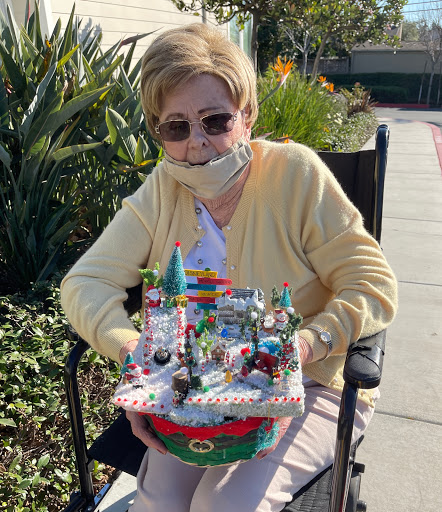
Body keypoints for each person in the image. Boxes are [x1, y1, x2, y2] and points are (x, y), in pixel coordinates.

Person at [60, 23, 397, 512]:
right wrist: (137, 358)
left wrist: (303, 347)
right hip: (195, 386)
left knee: (226, 504)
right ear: (158, 131)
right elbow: (86, 281)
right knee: (158, 502)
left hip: (308, 381)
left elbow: (372, 284)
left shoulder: (295, 175)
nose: (197, 141)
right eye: (176, 127)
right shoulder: (163, 190)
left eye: (215, 120)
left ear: (247, 115)